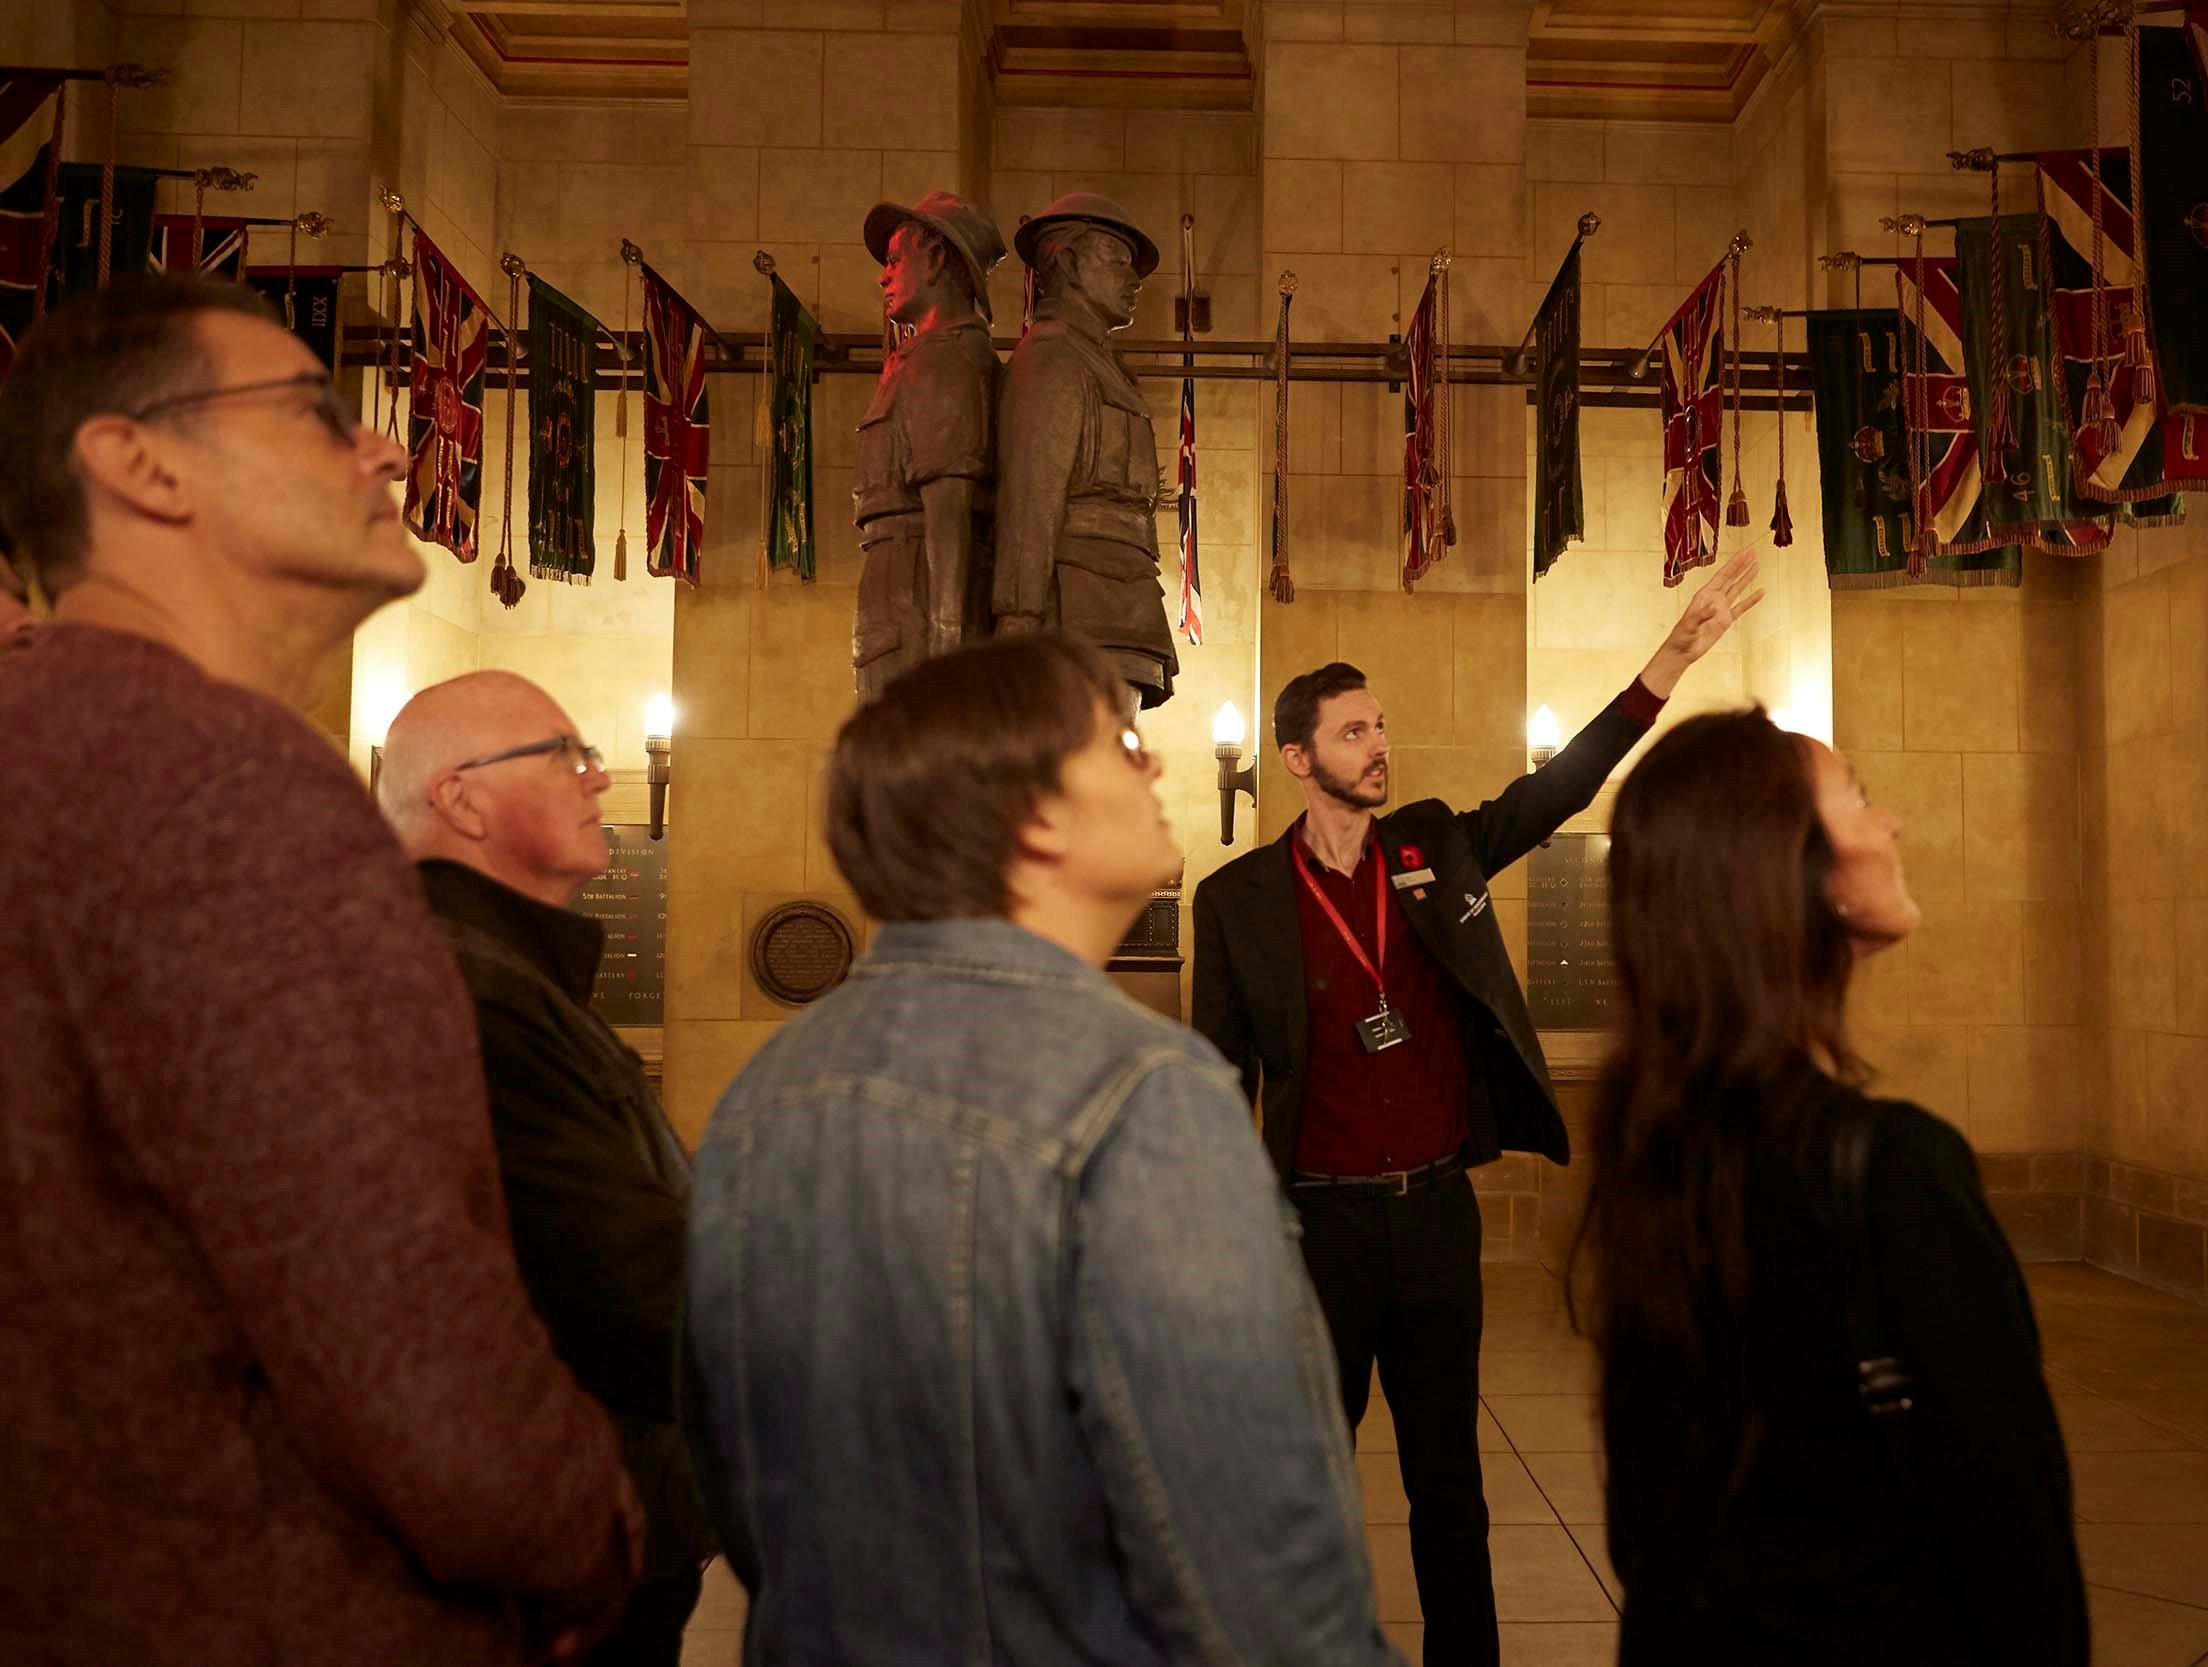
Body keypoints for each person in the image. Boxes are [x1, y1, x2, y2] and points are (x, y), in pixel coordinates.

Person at [0, 274, 641, 1666]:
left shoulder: (45, 738)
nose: (388, 448)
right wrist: (590, 1529)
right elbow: (398, 1319)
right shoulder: (221, 781)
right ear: (137, 460)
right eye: (312, 409)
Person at [683, 631, 1400, 1666]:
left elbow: (744, 1487)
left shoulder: (767, 1090)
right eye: (1119, 742)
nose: (1153, 762)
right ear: (1038, 817)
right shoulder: (1144, 1096)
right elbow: (1254, 1573)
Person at [1189, 551, 1762, 1667]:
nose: (1378, 746)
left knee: (1447, 1475)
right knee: (1304, 1473)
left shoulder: (1433, 842)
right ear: (1298, 757)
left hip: (1435, 1217)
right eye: (1352, 733)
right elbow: (1217, 1074)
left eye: (1381, 727)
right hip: (1317, 1228)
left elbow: (1562, 787)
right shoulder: (1241, 901)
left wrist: (1674, 654)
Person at [1570, 708, 2087, 1665]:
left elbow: (1644, 1530)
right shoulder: (1894, 1169)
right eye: (1858, 797)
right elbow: (2022, 1558)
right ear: (1788, 871)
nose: (1891, 825)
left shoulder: (1656, 1153)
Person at [380, 671, 718, 1667]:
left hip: (607, 1511)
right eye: (564, 754)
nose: (600, 778)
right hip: (549, 1532)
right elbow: (618, 1282)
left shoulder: (511, 973)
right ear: (460, 796)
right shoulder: (466, 986)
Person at [994, 194, 1177, 711]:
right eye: (1117, 261)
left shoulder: (1101, 365)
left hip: (1117, 608)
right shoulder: (1052, 359)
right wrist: (1020, 617)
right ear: (1068, 262)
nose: (1134, 279)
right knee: (1080, 781)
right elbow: (1031, 497)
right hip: (1074, 612)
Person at [853, 189, 1008, 698]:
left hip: (916, 594)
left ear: (938, 257)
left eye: (896, 259)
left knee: (910, 765)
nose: (883, 274)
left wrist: (947, 653)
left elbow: (949, 513)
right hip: (901, 591)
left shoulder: (944, 361)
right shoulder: (924, 355)